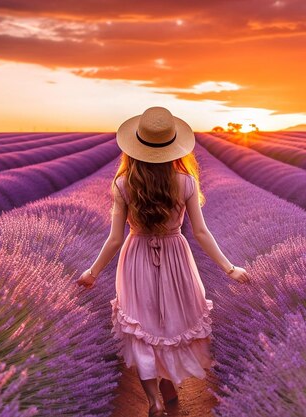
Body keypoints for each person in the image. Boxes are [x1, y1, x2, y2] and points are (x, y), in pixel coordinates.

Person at [76, 106, 250, 416]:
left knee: (141, 329)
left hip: (136, 257)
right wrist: (230, 268)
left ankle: (154, 399)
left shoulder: (122, 184)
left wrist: (92, 272)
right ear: (173, 148)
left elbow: (115, 239)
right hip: (176, 258)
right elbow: (200, 232)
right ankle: (169, 389)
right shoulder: (185, 182)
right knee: (171, 326)